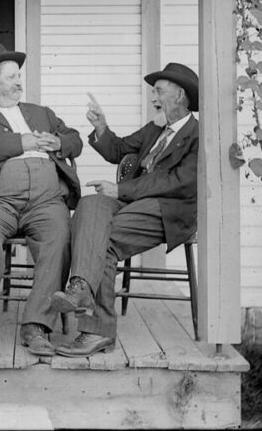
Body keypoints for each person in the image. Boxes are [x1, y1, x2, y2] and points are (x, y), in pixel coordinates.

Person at [51, 62, 199, 357]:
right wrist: (101, 128)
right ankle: (81, 288)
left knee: (101, 240)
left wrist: (121, 190)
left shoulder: (197, 135)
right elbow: (118, 149)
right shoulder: (157, 128)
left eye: (158, 91)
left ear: (180, 95)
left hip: (168, 209)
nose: (153, 97)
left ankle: (95, 327)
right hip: (133, 201)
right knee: (90, 202)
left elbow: (177, 182)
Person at [0, 44, 82, 358]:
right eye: (12, 77)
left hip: (46, 200)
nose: (19, 83)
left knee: (60, 235)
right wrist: (21, 142)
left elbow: (75, 139)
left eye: (19, 77)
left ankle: (37, 325)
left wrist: (59, 141)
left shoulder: (39, 112)